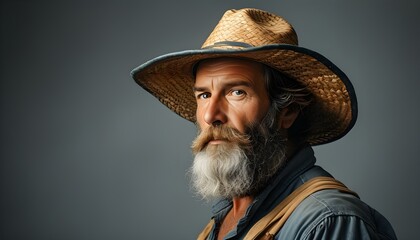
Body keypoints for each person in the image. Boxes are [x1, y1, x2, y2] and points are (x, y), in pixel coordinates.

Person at [131, 8, 397, 240]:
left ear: (288, 111)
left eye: (237, 92)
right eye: (204, 95)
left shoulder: (328, 222)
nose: (211, 115)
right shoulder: (223, 220)